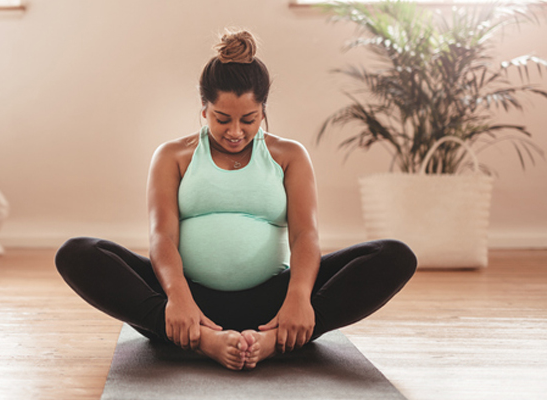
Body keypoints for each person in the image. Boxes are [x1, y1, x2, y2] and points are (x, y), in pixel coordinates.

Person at [55, 29, 417, 371]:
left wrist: (298, 297)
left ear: (263, 110)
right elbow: (161, 237)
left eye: (249, 119)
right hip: (188, 301)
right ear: (203, 109)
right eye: (222, 118)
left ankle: (277, 337)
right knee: (78, 252)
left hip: (271, 301)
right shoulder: (173, 156)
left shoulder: (289, 155)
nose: (235, 131)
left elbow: (305, 236)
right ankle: (202, 339)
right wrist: (179, 298)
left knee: (394, 256)